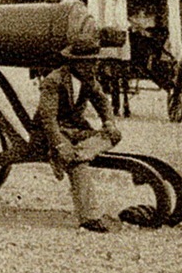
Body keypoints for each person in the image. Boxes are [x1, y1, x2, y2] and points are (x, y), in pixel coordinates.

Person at [36, 53, 124, 233]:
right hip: (53, 132)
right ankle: (89, 218)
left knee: (114, 135)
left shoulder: (88, 79)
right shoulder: (54, 80)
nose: (94, 66)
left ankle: (75, 155)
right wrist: (59, 144)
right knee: (80, 166)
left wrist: (108, 122)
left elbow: (102, 101)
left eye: (95, 62)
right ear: (75, 62)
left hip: (76, 130)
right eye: (90, 62)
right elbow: (48, 119)